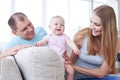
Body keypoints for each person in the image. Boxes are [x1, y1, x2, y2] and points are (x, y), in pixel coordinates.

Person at [63, 5, 120, 80]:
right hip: (79, 78)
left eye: (97, 24)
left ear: (108, 26)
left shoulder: (116, 42)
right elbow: (71, 62)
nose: (91, 27)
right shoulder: (81, 35)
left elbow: (101, 73)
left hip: (98, 77)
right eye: (91, 22)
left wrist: (75, 66)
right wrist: (71, 66)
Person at [35, 15, 80, 80]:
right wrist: (39, 43)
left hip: (64, 61)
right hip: (53, 60)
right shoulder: (49, 36)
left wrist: (75, 48)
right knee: (55, 74)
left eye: (62, 25)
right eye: (56, 24)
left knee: (71, 71)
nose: (59, 26)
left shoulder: (64, 36)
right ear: (50, 27)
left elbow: (70, 42)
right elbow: (43, 41)